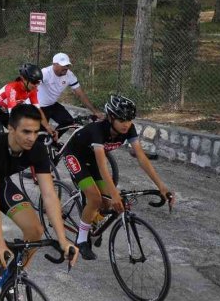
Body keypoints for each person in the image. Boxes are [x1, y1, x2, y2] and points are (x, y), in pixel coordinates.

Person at [0, 104, 79, 296]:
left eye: (36, 132)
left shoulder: (37, 149)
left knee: (35, 230)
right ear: (11, 128)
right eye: (26, 131)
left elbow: (50, 195)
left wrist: (62, 240)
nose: (31, 138)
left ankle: (13, 276)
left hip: (0, 181)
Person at [62, 94, 175, 260]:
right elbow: (102, 165)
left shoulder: (129, 129)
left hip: (92, 158)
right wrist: (115, 193)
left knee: (106, 202)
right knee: (94, 198)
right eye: (122, 120)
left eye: (129, 120)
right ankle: (81, 240)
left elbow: (142, 158)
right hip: (75, 156)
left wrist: (161, 186)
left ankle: (92, 222)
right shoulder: (98, 130)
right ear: (111, 118)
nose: (126, 124)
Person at [0, 63, 56, 137]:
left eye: (38, 82)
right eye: (34, 82)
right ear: (23, 79)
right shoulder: (12, 89)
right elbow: (13, 113)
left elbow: (38, 110)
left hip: (5, 114)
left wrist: (47, 127)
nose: (36, 85)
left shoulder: (32, 90)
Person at [38, 53, 103, 126]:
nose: (66, 68)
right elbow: (29, 85)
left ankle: (54, 137)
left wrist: (95, 111)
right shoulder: (45, 73)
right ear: (54, 64)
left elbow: (80, 94)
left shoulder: (69, 75)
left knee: (68, 122)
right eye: (63, 65)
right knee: (40, 132)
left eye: (67, 65)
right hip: (39, 106)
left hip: (52, 105)